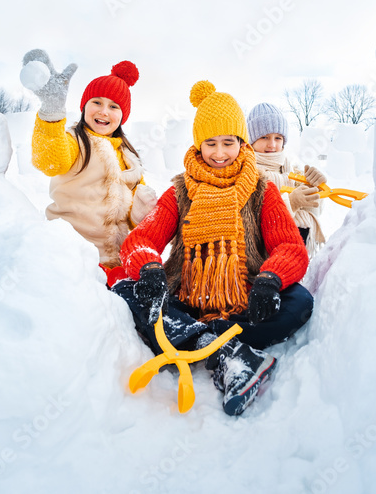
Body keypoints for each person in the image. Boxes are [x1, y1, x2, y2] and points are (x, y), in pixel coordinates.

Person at [113, 81, 313, 416]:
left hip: (246, 299)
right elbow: (141, 239)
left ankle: (199, 338)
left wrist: (270, 280)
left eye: (228, 142)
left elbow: (290, 246)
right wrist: (148, 267)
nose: (219, 153)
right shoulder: (180, 190)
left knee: (300, 302)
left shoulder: (262, 190)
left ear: (240, 142)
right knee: (127, 290)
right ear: (198, 144)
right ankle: (225, 352)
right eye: (211, 143)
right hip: (189, 297)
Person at [22, 50, 156, 286]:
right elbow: (50, 161)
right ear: (84, 106)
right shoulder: (75, 141)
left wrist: (141, 209)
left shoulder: (128, 157)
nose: (104, 111)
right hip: (73, 256)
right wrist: (52, 114)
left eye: (114, 106)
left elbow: (134, 216)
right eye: (97, 102)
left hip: (117, 262)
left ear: (122, 116)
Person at [246, 102, 327, 257]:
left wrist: (317, 188)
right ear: (252, 140)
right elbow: (251, 221)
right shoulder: (246, 172)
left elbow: (315, 211)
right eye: (264, 137)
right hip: (261, 261)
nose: (272, 144)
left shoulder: (291, 169)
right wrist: (291, 203)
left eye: (278, 137)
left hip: (294, 257)